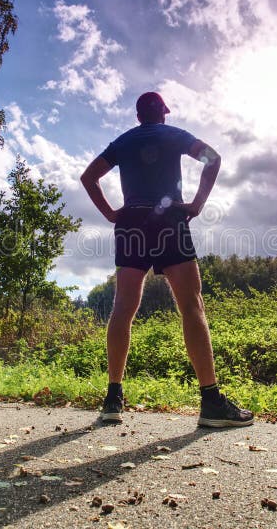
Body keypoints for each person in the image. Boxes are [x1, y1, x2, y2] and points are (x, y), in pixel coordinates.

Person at [80, 91, 254, 428]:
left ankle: (113, 399)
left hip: (131, 223)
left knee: (122, 309)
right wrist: (197, 204)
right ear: (164, 113)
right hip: (168, 220)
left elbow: (88, 178)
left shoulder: (123, 141)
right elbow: (213, 158)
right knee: (191, 306)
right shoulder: (174, 135)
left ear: (138, 116)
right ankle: (211, 401)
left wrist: (113, 214)